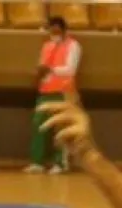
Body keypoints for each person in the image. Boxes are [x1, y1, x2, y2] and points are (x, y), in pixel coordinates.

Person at [24, 17, 81, 175]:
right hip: (45, 91)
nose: (54, 33)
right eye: (51, 30)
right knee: (39, 125)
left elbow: (70, 69)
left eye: (57, 30)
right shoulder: (46, 46)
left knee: (60, 128)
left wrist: (51, 70)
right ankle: (38, 162)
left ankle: (60, 163)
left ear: (63, 30)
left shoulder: (73, 45)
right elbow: (42, 66)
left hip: (63, 92)